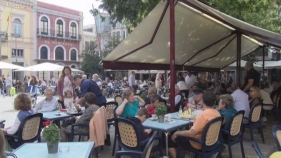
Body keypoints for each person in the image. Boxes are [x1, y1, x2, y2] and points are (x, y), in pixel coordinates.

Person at [169, 92, 220, 158]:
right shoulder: (217, 113)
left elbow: (191, 134)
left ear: (202, 101)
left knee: (171, 139)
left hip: (198, 144)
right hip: (213, 142)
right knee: (183, 134)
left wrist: (176, 133)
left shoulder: (203, 115)